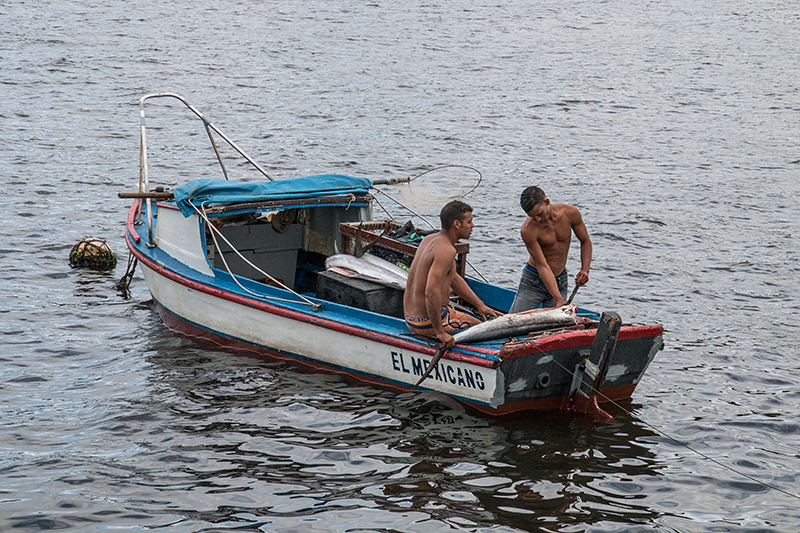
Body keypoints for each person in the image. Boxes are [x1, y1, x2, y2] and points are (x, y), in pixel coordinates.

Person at [403, 200, 501, 350]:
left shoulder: (428, 240)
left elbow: (453, 278)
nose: (472, 226)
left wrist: (480, 305)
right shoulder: (447, 250)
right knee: (488, 331)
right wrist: (440, 333)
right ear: (456, 224)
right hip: (426, 324)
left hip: (410, 318)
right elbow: (431, 292)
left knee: (480, 320)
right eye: (469, 222)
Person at [509, 186, 592, 312]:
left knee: (555, 328)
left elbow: (585, 241)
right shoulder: (528, 230)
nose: (537, 219)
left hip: (560, 279)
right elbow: (542, 265)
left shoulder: (570, 213)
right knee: (513, 323)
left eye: (539, 214)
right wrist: (558, 299)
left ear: (547, 202)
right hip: (534, 281)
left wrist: (585, 270)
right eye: (532, 216)